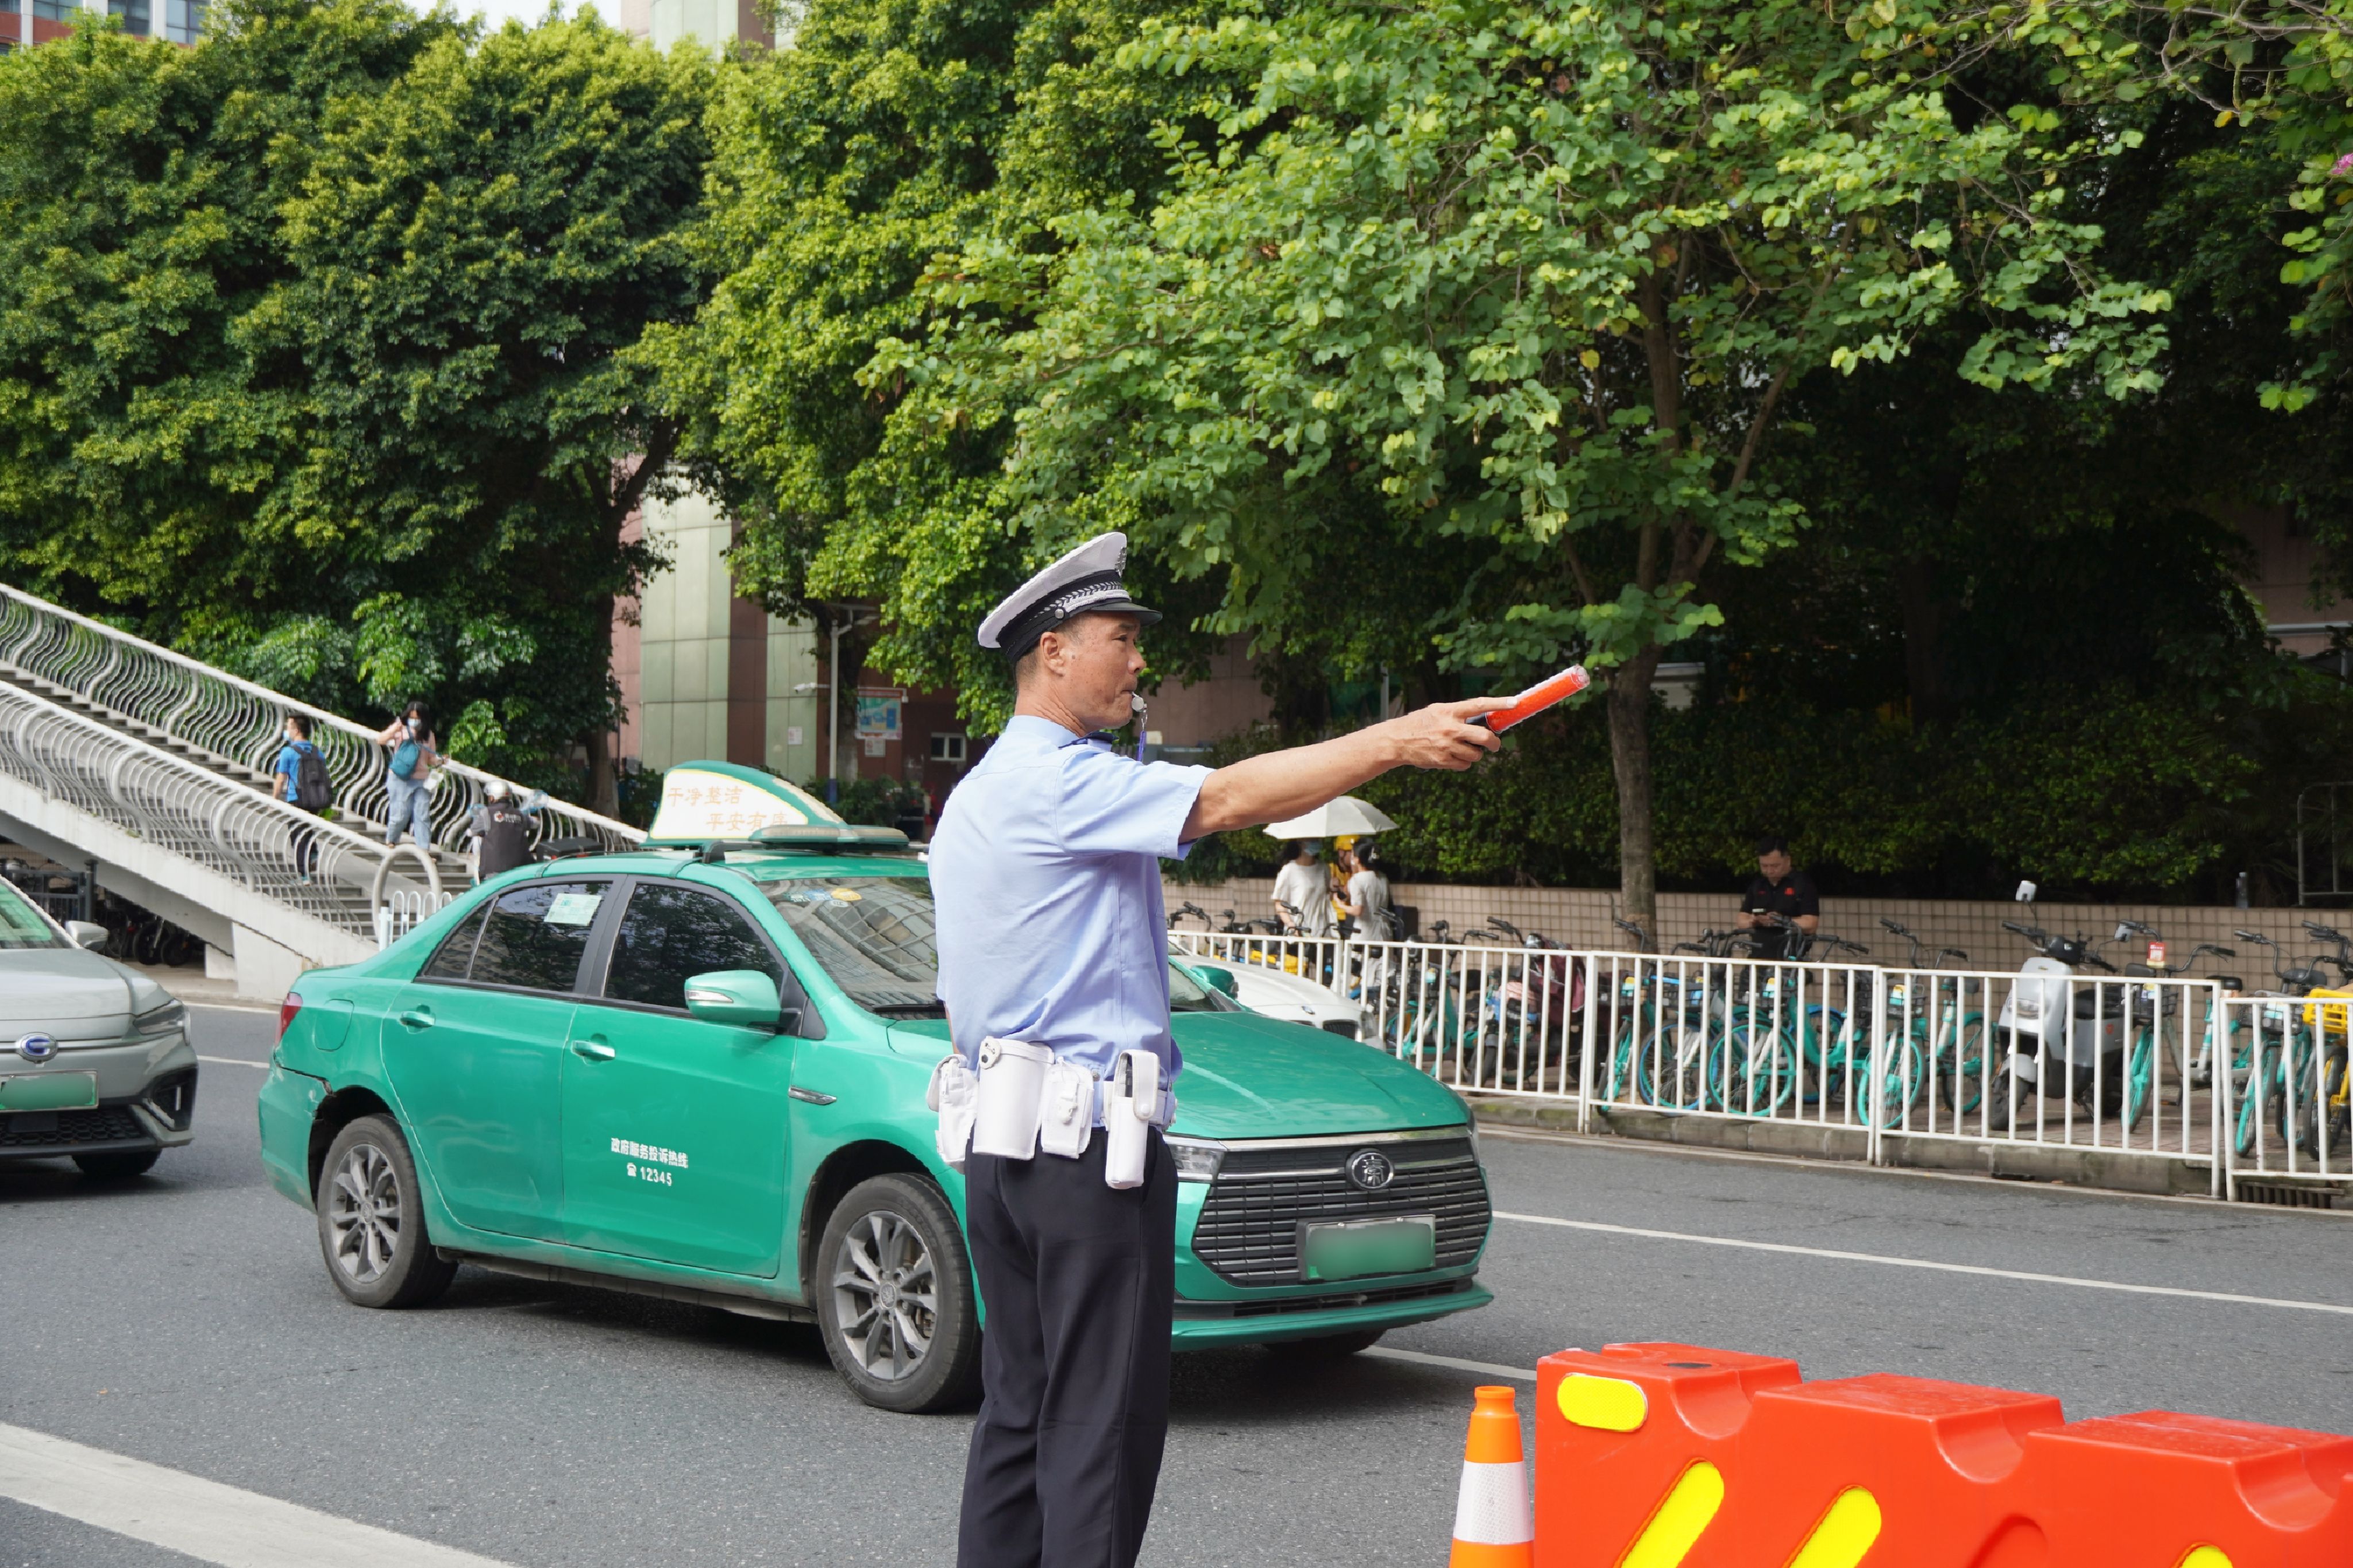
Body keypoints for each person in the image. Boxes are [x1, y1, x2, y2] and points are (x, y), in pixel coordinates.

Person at [928, 531, 1503, 1568]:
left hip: (1007, 1153)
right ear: (1055, 651)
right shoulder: (1060, 781)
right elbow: (1229, 797)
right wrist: (1399, 737)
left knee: (1022, 1407)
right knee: (1098, 1425)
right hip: (1086, 1150)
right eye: (1121, 639)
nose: (1139, 662)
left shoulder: (981, 790)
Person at [1735, 836, 1819, 960]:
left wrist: (1780, 921)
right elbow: (1741, 921)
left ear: (1788, 861)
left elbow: (1811, 924)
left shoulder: (1802, 884)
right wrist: (1755, 921)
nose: (1769, 871)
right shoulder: (1758, 885)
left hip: (1790, 959)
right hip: (1758, 957)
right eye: (1764, 866)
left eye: (1775, 866)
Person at [271, 714, 331, 883]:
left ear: (296, 730)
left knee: (298, 836)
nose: (287, 730)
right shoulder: (317, 752)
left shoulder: (288, 752)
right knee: (307, 828)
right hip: (316, 799)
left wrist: (274, 800)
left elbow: (281, 779)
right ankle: (313, 853)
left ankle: (303, 876)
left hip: (296, 798)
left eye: (289, 727)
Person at [375, 701, 440, 851]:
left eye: (418, 718)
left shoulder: (429, 735)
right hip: (400, 778)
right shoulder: (401, 729)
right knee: (400, 813)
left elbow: (430, 759)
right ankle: (391, 840)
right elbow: (380, 740)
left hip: (422, 780)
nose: (415, 720)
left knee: (423, 815)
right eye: (412, 717)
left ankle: (424, 849)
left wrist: (440, 761)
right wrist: (395, 729)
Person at [467, 780, 533, 881]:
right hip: (519, 870)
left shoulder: (487, 813)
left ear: (493, 797)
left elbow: (472, 832)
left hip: (494, 870)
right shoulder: (520, 815)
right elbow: (534, 824)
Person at [1272, 839, 1333, 937]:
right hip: (1298, 932)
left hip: (1322, 932)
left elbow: (1329, 896)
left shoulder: (1324, 868)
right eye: (1311, 839)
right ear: (1300, 843)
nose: (1316, 842)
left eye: (1317, 839)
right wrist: (1290, 924)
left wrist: (1334, 889)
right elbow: (1279, 903)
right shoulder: (1289, 870)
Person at [1339, 837, 1395, 941]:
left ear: (1357, 860)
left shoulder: (1357, 880)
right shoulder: (1383, 877)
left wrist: (1341, 906)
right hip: (1384, 933)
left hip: (1365, 933)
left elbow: (1357, 911)